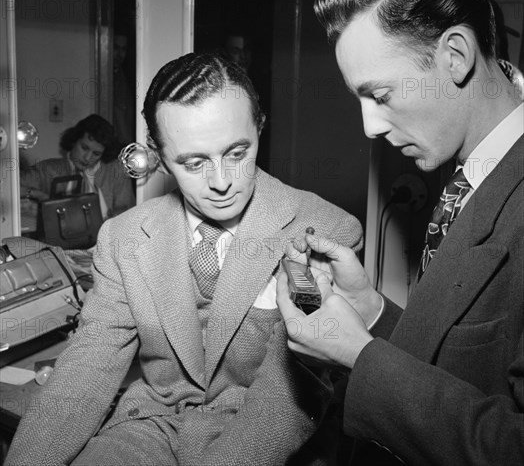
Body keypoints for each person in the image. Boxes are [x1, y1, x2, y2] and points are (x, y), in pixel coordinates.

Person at [6, 53, 363, 466]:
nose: (222, 182)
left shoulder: (322, 233)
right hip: (151, 424)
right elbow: (88, 366)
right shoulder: (124, 238)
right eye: (194, 163)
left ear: (260, 126)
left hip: (267, 435)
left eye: (236, 152)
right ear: (157, 154)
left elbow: (293, 391)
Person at [276, 0, 524, 465]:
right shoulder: (471, 167)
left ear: (455, 55)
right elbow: (457, 364)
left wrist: (357, 356)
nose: (370, 127)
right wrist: (370, 311)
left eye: (381, 94)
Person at [21, 114, 134, 221]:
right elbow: (9, 186)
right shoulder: (48, 169)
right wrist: (38, 195)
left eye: (96, 154)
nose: (87, 157)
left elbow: (127, 210)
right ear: (74, 141)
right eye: (84, 148)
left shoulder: (116, 170)